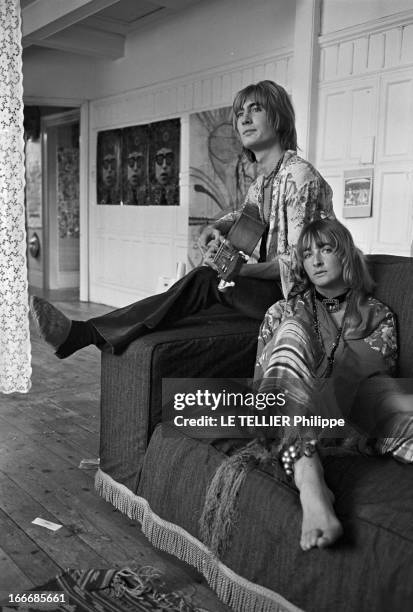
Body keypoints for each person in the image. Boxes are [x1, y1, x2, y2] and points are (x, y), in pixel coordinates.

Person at [31, 80, 335, 359]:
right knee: (191, 300)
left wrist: (241, 269)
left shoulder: (299, 176)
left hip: (298, 302)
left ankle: (82, 333)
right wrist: (216, 228)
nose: (244, 118)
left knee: (204, 280)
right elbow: (246, 218)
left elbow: (300, 263)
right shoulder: (264, 182)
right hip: (268, 294)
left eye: (256, 109)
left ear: (279, 117)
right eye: (240, 112)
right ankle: (93, 336)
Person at [200, 219, 412, 554]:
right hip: (293, 420)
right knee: (292, 330)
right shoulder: (282, 312)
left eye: (326, 249)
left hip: (350, 418)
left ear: (347, 256)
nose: (315, 260)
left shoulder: (378, 314)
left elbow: (373, 387)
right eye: (308, 253)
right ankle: (308, 475)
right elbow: (265, 393)